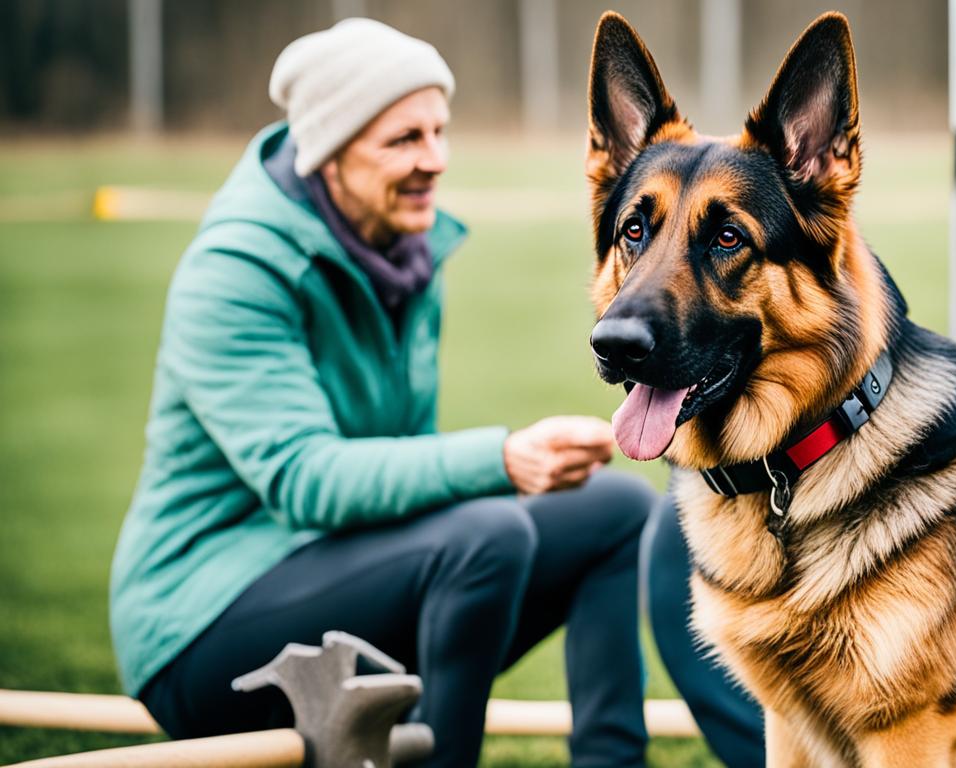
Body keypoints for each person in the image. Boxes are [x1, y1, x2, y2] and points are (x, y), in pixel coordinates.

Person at [109, 18, 656, 767]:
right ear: (329, 153)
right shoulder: (233, 272)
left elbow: (392, 476)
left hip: (340, 576)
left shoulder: (402, 248)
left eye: (439, 131)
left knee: (619, 510)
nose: (435, 160)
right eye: (404, 140)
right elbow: (305, 479)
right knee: (485, 540)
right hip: (199, 632)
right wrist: (501, 459)